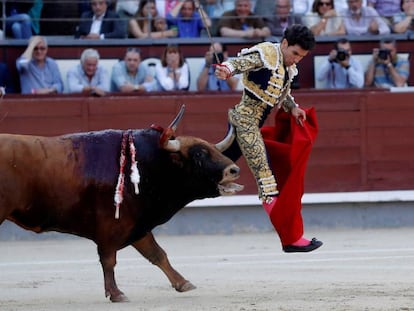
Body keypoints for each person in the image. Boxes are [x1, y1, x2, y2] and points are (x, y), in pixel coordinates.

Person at [215, 24, 323, 252]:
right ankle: (290, 237)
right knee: (266, 180)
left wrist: (292, 107)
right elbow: (240, 63)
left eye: (302, 57)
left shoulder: (286, 66)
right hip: (245, 122)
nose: (297, 60)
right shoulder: (267, 53)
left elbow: (282, 93)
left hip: (252, 125)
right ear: (284, 43)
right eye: (295, 53)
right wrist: (226, 69)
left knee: (214, 168)